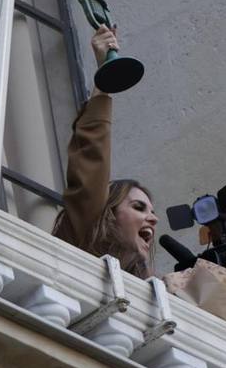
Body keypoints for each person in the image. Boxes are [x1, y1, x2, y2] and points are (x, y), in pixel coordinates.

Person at [52, 25, 158, 277]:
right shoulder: (84, 235)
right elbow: (91, 161)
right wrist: (105, 78)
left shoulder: (152, 287)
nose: (153, 219)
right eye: (138, 207)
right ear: (107, 214)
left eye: (151, 212)